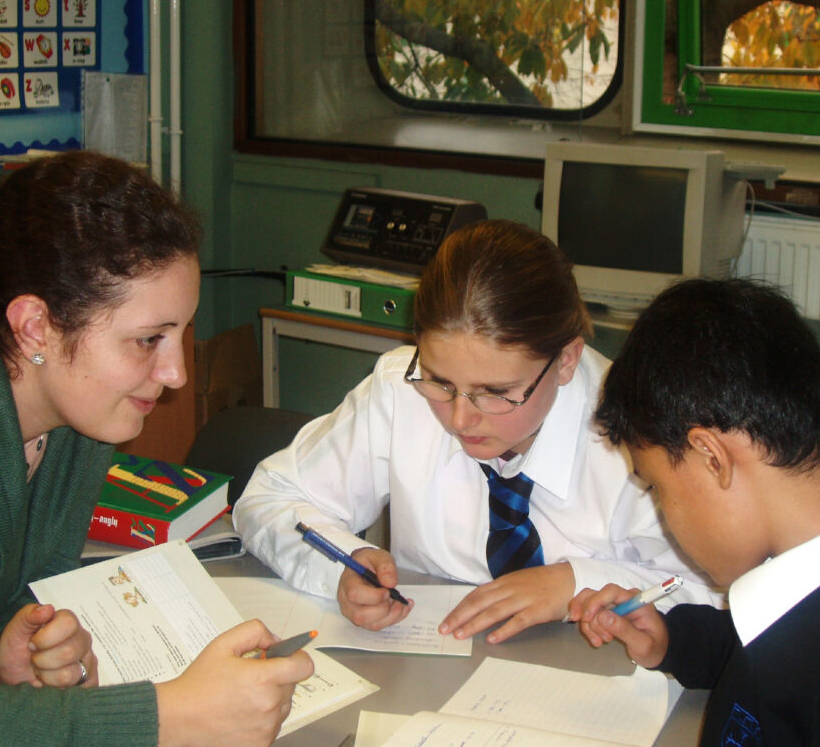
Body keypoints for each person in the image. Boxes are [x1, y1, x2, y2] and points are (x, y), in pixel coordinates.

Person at [0, 151, 313, 747]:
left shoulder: (80, 424)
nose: (176, 373)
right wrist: (168, 716)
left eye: (180, 333)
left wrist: (8, 652)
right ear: (34, 328)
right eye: (148, 339)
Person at [233, 219, 719, 645]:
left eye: (496, 392)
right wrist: (341, 564)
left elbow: (712, 592)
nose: (461, 419)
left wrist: (573, 583)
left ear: (566, 361)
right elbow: (269, 498)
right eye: (441, 382)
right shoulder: (401, 390)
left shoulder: (638, 433)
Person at [569, 278, 820, 745]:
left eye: (658, 487)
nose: (664, 513)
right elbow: (777, 651)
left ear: (712, 458)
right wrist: (674, 641)